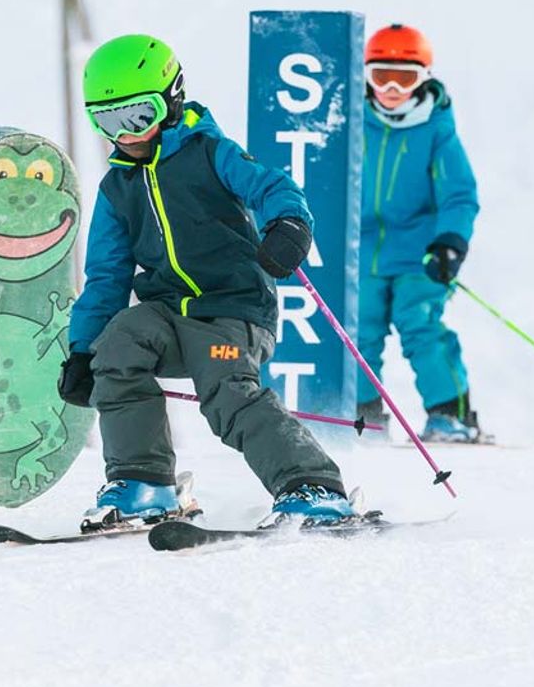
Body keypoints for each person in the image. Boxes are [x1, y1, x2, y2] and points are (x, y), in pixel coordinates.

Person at [56, 33, 354, 528]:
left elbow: (274, 187)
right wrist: (84, 349)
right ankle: (144, 482)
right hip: (167, 314)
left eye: (137, 117)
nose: (125, 135)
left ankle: (313, 485)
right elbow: (106, 274)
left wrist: (289, 225)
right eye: (107, 122)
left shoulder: (210, 152)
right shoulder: (117, 188)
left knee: (228, 392)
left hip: (232, 310)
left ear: (171, 100)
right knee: (119, 342)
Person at [358, 22, 482, 442]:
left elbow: (459, 195)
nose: (392, 88)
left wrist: (450, 242)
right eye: (381, 76)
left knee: (419, 322)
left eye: (406, 77)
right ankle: (363, 414)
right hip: (360, 251)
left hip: (419, 252)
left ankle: (451, 413)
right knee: (358, 329)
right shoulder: (352, 121)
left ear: (424, 78)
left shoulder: (436, 129)